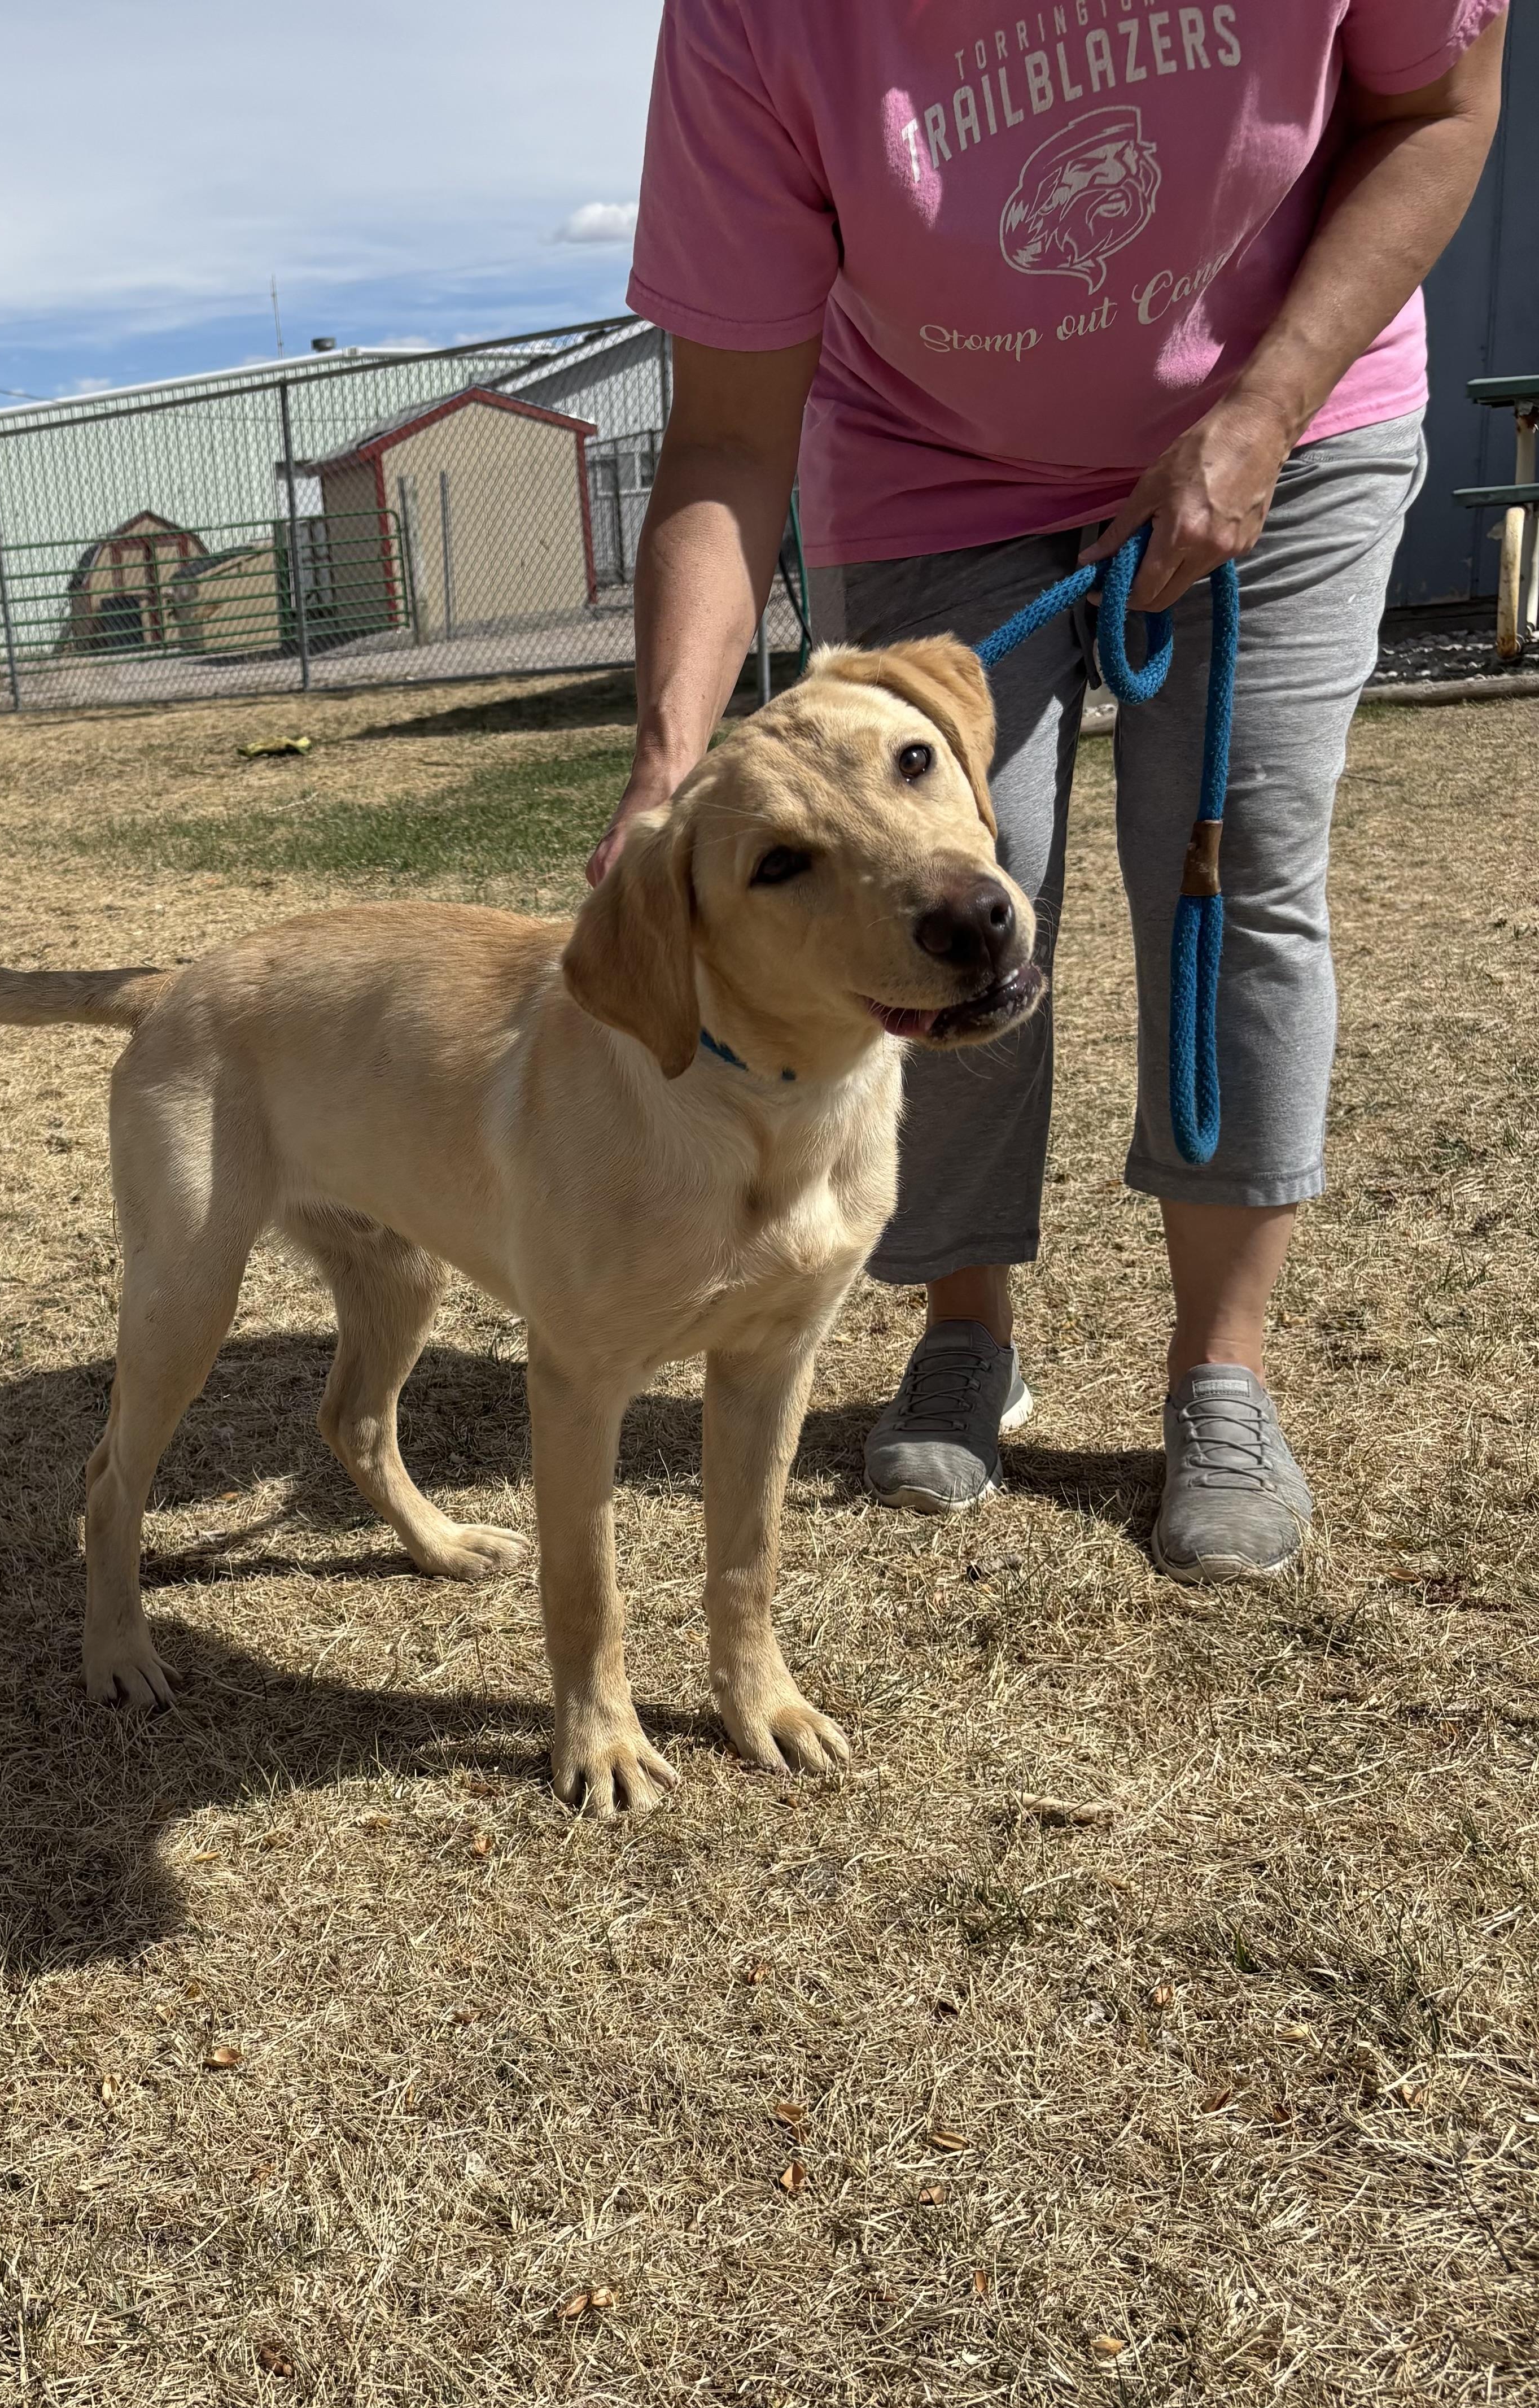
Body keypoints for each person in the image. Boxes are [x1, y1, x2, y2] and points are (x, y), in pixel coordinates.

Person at [589, 0, 1506, 1581]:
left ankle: (1222, 1372)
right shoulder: (755, 20)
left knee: (1232, 866)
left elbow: (1436, 108)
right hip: (931, 455)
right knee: (929, 903)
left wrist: (1265, 410)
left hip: (1290, 404)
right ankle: (965, 1324)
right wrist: (668, 766)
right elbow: (729, 435)